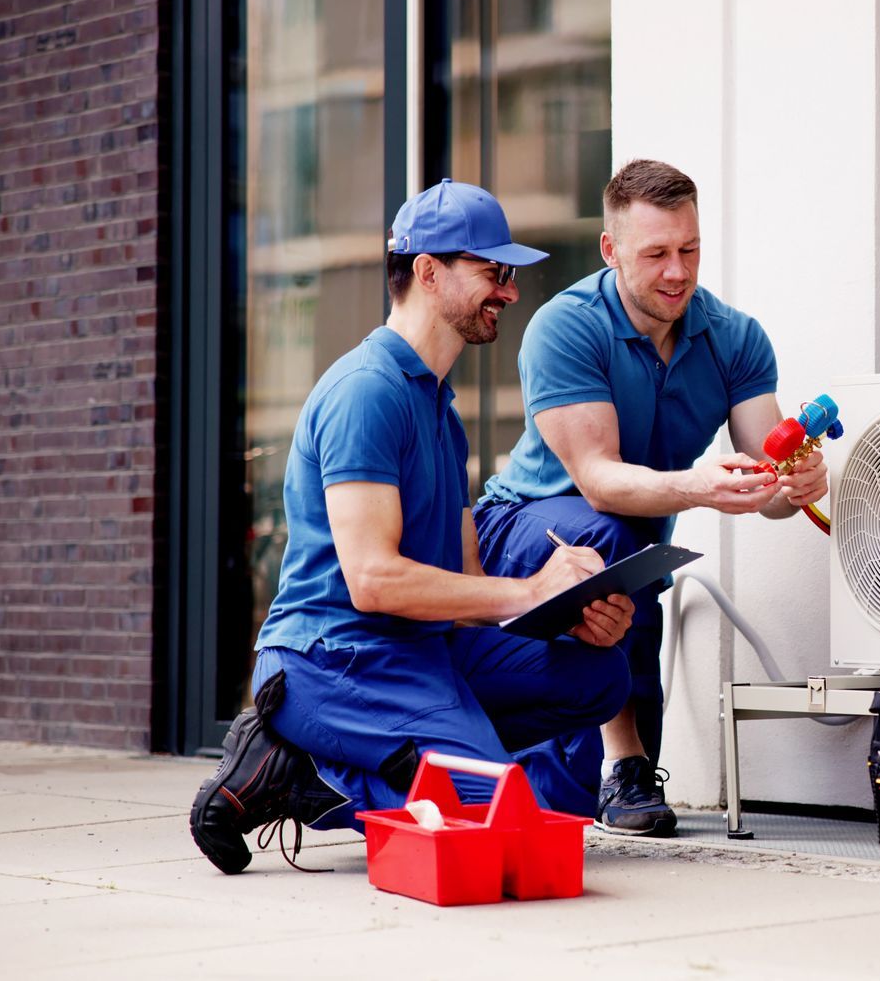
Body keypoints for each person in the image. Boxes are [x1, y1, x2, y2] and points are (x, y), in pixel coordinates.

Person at [188, 179, 638, 874]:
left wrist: (561, 611)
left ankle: (335, 756)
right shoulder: (365, 392)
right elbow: (372, 580)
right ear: (429, 272)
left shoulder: (438, 408)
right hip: (336, 658)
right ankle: (296, 764)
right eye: (494, 272)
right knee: (485, 819)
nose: (510, 292)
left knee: (600, 675)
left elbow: (466, 584)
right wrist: (527, 590)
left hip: (424, 651)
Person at [471, 159, 828, 837]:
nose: (677, 272)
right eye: (657, 253)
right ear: (610, 250)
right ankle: (623, 759)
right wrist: (698, 487)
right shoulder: (565, 328)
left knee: (571, 805)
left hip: (629, 562)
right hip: (520, 530)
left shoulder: (736, 339)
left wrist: (799, 481)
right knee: (609, 530)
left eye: (689, 250)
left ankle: (607, 769)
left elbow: (770, 479)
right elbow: (600, 481)